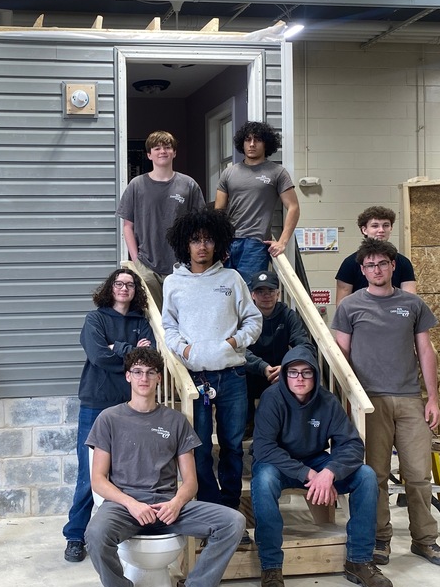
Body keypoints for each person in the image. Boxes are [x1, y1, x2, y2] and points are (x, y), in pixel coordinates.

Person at [85, 347, 245, 587]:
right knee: (94, 534)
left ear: (158, 377)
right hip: (125, 507)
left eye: (150, 372)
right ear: (128, 376)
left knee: (232, 522)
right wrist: (131, 504)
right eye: (137, 371)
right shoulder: (109, 419)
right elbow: (98, 480)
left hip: (168, 507)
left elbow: (191, 482)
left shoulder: (175, 421)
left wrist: (176, 503)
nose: (143, 377)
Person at [332, 238, 440, 568]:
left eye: (382, 264)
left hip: (411, 399)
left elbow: (426, 352)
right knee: (377, 475)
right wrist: (347, 402)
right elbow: (340, 357)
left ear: (392, 266)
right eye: (369, 265)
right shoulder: (350, 307)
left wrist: (433, 398)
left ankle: (425, 540)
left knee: (418, 475)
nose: (376, 270)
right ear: (362, 270)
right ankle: (381, 538)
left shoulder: (412, 305)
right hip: (369, 403)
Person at [250, 347, 396, 587]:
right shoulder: (272, 398)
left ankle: (359, 561)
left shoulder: (327, 402)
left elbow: (351, 445)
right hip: (279, 463)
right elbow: (264, 448)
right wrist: (307, 473)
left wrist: (330, 472)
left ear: (316, 376)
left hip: (317, 461)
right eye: (293, 372)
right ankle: (271, 567)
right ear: (284, 375)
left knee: (366, 475)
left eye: (306, 373)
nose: (300, 378)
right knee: (263, 480)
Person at [162, 208, 262, 513]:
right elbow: (168, 327)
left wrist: (233, 342)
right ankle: (212, 508)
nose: (202, 246)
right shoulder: (173, 282)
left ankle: (231, 509)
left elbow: (253, 320)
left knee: (232, 448)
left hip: (232, 376)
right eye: (195, 240)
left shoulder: (232, 278)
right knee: (200, 449)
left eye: (207, 240)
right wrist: (187, 350)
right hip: (197, 380)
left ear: (217, 243)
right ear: (186, 244)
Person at [63, 268, 155, 563]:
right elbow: (98, 355)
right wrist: (128, 353)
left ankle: (119, 531)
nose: (124, 288)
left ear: (135, 291)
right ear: (110, 288)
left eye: (130, 284)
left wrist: (118, 348)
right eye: (119, 283)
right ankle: (76, 536)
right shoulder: (96, 319)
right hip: (96, 402)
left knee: (129, 471)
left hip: (128, 405)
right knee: (88, 474)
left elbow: (147, 359)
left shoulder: (142, 321)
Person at [117, 130, 205, 311]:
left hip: (183, 264)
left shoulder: (188, 185)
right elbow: (127, 226)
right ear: (149, 155)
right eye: (157, 148)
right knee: (153, 316)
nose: (162, 151)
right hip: (147, 265)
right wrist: (135, 259)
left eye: (167, 147)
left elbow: (200, 225)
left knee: (182, 314)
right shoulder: (136, 185)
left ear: (174, 152)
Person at [215, 121, 300, 282]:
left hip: (255, 243)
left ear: (266, 143)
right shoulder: (229, 173)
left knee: (249, 295)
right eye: (248, 139)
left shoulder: (277, 172)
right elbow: (219, 211)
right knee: (223, 291)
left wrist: (282, 242)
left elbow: (293, 207)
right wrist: (219, 243)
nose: (252, 144)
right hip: (228, 242)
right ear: (242, 143)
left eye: (257, 140)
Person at [243, 269, 313, 426]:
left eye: (270, 290)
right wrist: (262, 367)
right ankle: (247, 422)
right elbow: (239, 350)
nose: (266, 295)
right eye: (260, 291)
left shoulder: (288, 315)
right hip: (252, 372)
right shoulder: (244, 316)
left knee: (299, 372)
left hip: (280, 372)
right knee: (237, 372)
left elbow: (304, 345)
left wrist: (288, 367)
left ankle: (288, 424)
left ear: (278, 294)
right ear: (252, 295)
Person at [335, 205, 417, 304]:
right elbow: (342, 305)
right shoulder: (349, 264)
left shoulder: (404, 263)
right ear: (364, 230)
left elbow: (410, 301)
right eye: (375, 226)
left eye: (386, 225)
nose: (381, 230)